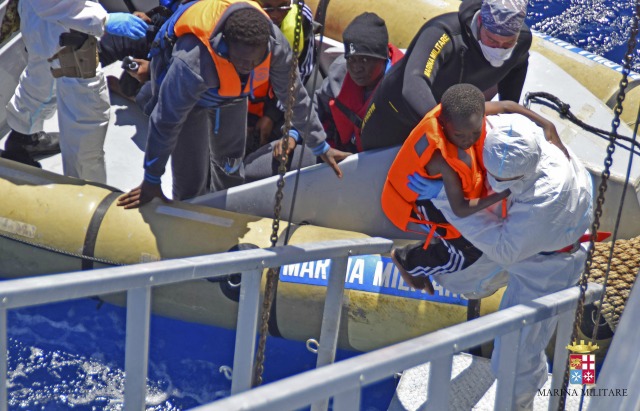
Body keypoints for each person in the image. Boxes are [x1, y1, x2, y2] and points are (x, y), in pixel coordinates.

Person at [403, 113, 593, 409]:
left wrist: (445, 198)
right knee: (467, 275)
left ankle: (519, 403)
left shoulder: (545, 200)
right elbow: (493, 107)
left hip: (547, 266)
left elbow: (505, 250)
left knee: (514, 358)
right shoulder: (515, 131)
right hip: (540, 235)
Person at [117, 0, 349, 208]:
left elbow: (294, 98)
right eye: (241, 60)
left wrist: (321, 147)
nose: (248, 67)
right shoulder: (192, 61)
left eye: (255, 61)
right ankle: (187, 211)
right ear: (225, 45)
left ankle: (225, 211)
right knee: (190, 181)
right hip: (192, 101)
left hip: (232, 97)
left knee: (230, 166)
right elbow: (165, 122)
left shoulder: (275, 46)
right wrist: (152, 179)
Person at [383, 84, 511, 294]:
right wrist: (501, 194)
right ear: (444, 125)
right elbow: (460, 208)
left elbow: (507, 106)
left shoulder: (466, 116)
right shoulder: (443, 158)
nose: (468, 140)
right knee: (468, 251)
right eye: (460, 136)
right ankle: (408, 261)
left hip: (453, 194)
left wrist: (546, 125)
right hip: (426, 198)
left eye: (475, 133)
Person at [2, 0, 148, 182]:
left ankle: (23, 137)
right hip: (66, 24)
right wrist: (103, 19)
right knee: (85, 114)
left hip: (44, 19)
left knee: (42, 75)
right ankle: (85, 187)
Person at [359, 0, 531, 151]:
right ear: (479, 22)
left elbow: (517, 66)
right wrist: (448, 127)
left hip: (449, 120)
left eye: (508, 43)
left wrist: (509, 121)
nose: (498, 49)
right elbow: (414, 83)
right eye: (491, 40)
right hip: (395, 113)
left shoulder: (522, 41)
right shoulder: (443, 33)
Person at [314, 12, 404, 153]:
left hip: (384, 161)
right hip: (339, 154)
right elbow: (316, 105)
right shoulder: (340, 72)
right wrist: (293, 135)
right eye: (352, 59)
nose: (356, 68)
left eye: (365, 60)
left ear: (383, 56)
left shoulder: (403, 86)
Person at [245, 0, 318, 155]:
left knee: (314, 85)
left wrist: (271, 115)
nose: (276, 15)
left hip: (284, 91)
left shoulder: (301, 18)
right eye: (268, 8)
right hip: (249, 94)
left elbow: (303, 72)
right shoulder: (239, 15)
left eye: (283, 7)